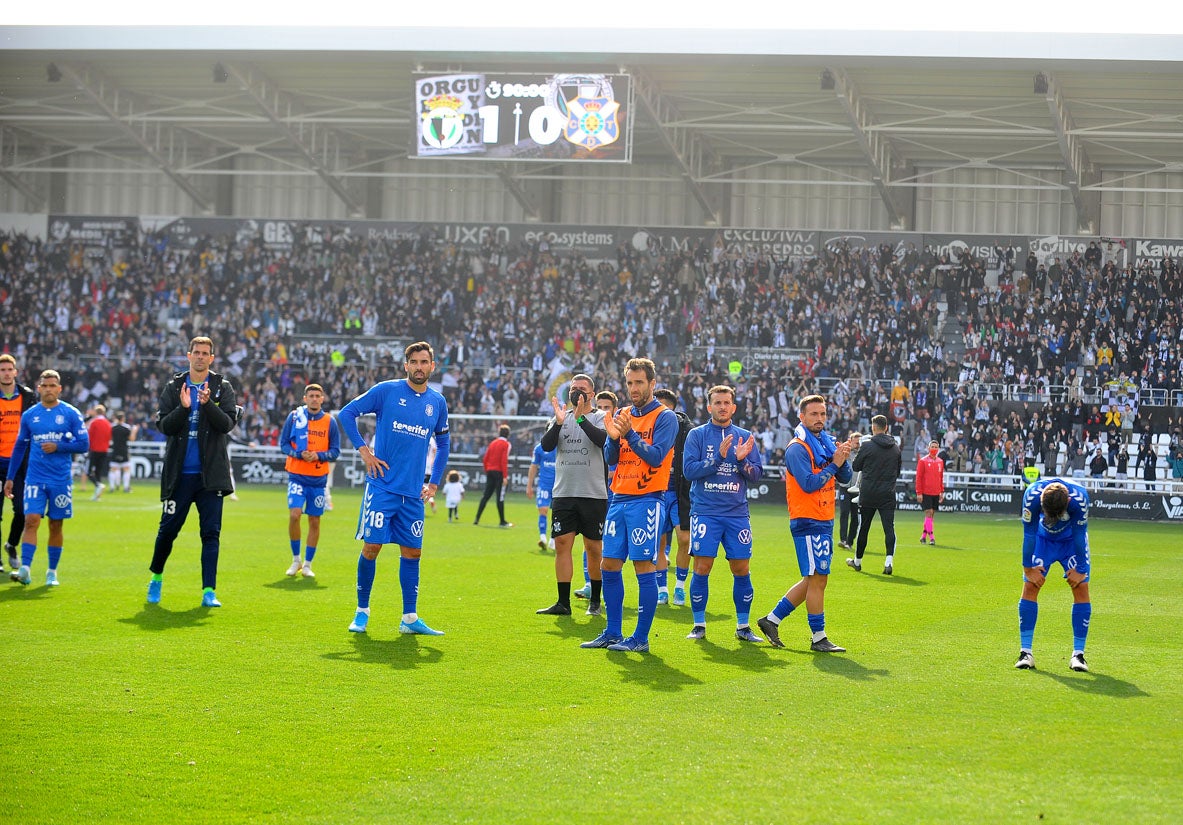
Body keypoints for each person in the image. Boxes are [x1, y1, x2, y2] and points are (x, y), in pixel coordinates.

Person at [338, 341, 451, 636]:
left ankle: (409, 618)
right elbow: (346, 413)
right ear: (406, 365)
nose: (419, 367)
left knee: (413, 553)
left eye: (424, 362)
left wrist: (434, 482)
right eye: (413, 361)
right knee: (372, 547)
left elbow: (444, 443)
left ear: (432, 366)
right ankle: (362, 612)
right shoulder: (387, 390)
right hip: (382, 487)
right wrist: (364, 452)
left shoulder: (437, 402)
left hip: (413, 493)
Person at [582, 357, 677, 653]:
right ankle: (612, 631)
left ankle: (640, 638)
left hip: (648, 500)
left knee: (642, 566)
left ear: (652, 383)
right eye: (629, 383)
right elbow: (612, 457)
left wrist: (629, 434)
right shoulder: (622, 413)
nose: (633, 388)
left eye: (639, 383)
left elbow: (656, 456)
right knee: (608, 564)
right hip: (619, 497)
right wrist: (612, 439)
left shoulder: (665, 417)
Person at [757, 394, 856, 652]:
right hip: (807, 518)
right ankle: (818, 637)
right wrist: (834, 463)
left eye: (823, 414)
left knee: (813, 579)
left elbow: (845, 476)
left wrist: (842, 457)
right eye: (814, 414)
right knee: (818, 579)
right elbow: (809, 484)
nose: (819, 419)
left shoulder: (825, 441)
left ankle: (771, 620)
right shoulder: (797, 448)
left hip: (823, 517)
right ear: (802, 416)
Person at [146, 337, 241, 607]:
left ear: (212, 358)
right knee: (167, 531)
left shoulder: (222, 387)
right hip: (180, 475)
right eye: (196, 352)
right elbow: (164, 426)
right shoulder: (174, 386)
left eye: (205, 353)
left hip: (210, 477)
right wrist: (184, 408)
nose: (200, 357)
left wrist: (208, 404)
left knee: (210, 534)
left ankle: (209, 591)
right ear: (188, 355)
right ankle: (156, 578)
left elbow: (226, 425)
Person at [681, 385, 765, 642]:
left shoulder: (744, 436)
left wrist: (740, 460)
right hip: (706, 512)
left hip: (737, 514)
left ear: (734, 407)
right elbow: (689, 471)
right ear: (709, 407)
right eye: (717, 402)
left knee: (741, 568)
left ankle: (743, 626)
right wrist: (718, 457)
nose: (722, 407)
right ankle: (699, 624)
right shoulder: (697, 435)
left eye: (727, 402)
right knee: (703, 566)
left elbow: (757, 474)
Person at [4, 370, 89, 586]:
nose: (49, 389)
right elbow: (19, 446)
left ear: (59, 389)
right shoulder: (30, 415)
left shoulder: (70, 413)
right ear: (39, 388)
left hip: (60, 479)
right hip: (35, 477)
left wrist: (59, 447)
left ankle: (52, 572)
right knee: (31, 520)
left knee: (55, 525)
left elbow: (84, 444)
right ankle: (25, 568)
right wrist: (10, 477)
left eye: (53, 385)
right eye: (45, 385)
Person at [536, 374, 609, 617]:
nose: (577, 392)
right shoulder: (560, 417)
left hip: (593, 494)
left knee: (594, 549)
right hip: (565, 493)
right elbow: (546, 446)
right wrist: (558, 423)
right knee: (562, 545)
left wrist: (580, 418)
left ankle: (595, 601)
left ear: (592, 393)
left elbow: (602, 441)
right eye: (574, 388)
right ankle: (563, 602)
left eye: (582, 389)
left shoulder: (600, 417)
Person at [1015, 479, 1092, 673]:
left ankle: (1078, 655)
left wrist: (1081, 569)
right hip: (1042, 540)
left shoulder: (1079, 498)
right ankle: (1026, 653)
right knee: (1030, 587)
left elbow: (1079, 534)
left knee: (1081, 587)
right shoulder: (1031, 495)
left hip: (1070, 542)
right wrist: (1027, 569)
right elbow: (1029, 534)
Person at [279, 383, 341, 578]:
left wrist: (318, 456)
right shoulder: (295, 417)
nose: (314, 399)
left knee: (314, 521)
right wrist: (298, 454)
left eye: (317, 396)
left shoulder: (330, 422)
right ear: (304, 399)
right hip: (297, 476)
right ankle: (296, 559)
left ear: (322, 399)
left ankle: (307, 564)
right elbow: (283, 444)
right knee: (295, 515)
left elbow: (335, 451)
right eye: (311, 396)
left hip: (318, 480)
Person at [573, 389, 617, 602]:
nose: (604, 411)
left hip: (617, 495)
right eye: (601, 407)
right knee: (591, 541)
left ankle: (606, 583)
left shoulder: (619, 431)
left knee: (609, 542)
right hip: (596, 490)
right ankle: (590, 583)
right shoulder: (591, 426)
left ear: (615, 410)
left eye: (608, 407)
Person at [654, 388, 694, 606]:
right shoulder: (648, 427)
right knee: (659, 544)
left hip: (680, 494)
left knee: (685, 540)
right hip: (657, 493)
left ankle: (679, 586)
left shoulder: (687, 431)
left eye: (665, 408)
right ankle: (662, 589)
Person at [848, 414, 902, 574]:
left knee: (864, 527)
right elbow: (897, 472)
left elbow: (856, 466)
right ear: (886, 428)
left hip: (869, 492)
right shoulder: (895, 447)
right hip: (887, 493)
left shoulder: (867, 446)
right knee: (889, 528)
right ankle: (888, 561)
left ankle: (857, 561)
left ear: (873, 427)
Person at [0, 354, 36, 574]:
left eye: (9, 369)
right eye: (2, 369)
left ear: (15, 371)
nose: (5, 372)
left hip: (21, 464)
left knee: (22, 511)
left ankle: (12, 545)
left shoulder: (27, 396)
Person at [473, 425, 512, 527]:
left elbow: (485, 458)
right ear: (508, 434)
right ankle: (502, 521)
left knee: (486, 496)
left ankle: (477, 518)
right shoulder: (506, 444)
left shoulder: (493, 443)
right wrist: (505, 476)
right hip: (499, 472)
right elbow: (504, 460)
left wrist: (487, 470)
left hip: (490, 471)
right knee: (500, 497)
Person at [526, 441, 557, 551]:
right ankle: (543, 538)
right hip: (544, 485)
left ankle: (553, 540)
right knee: (543, 510)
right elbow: (533, 466)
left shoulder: (562, 447)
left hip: (558, 486)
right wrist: (529, 486)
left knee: (557, 513)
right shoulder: (539, 448)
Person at [915, 439, 946, 544]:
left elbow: (941, 477)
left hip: (936, 492)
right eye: (932, 447)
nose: (934, 449)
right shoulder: (923, 461)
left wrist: (942, 491)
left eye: (936, 447)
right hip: (926, 492)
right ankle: (932, 537)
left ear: (938, 449)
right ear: (928, 448)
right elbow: (918, 477)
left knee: (931, 514)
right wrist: (919, 492)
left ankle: (923, 536)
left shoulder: (940, 462)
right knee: (928, 513)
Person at [837, 432, 862, 550]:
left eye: (859, 443)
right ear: (850, 441)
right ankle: (843, 539)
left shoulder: (863, 454)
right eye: (856, 442)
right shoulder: (845, 452)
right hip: (844, 487)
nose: (858, 445)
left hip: (856, 490)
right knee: (844, 513)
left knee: (855, 517)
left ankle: (850, 541)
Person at [85, 404, 112, 501]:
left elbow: (89, 437)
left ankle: (98, 485)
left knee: (88, 471)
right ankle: (97, 494)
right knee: (98, 472)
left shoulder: (94, 423)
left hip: (94, 450)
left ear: (96, 412)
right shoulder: (108, 423)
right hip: (104, 450)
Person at [107, 410, 136, 493]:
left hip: (115, 449)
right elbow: (132, 439)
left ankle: (112, 487)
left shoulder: (112, 427)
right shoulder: (126, 428)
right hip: (123, 450)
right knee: (126, 469)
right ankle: (126, 487)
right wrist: (134, 431)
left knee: (113, 469)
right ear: (123, 418)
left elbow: (109, 437)